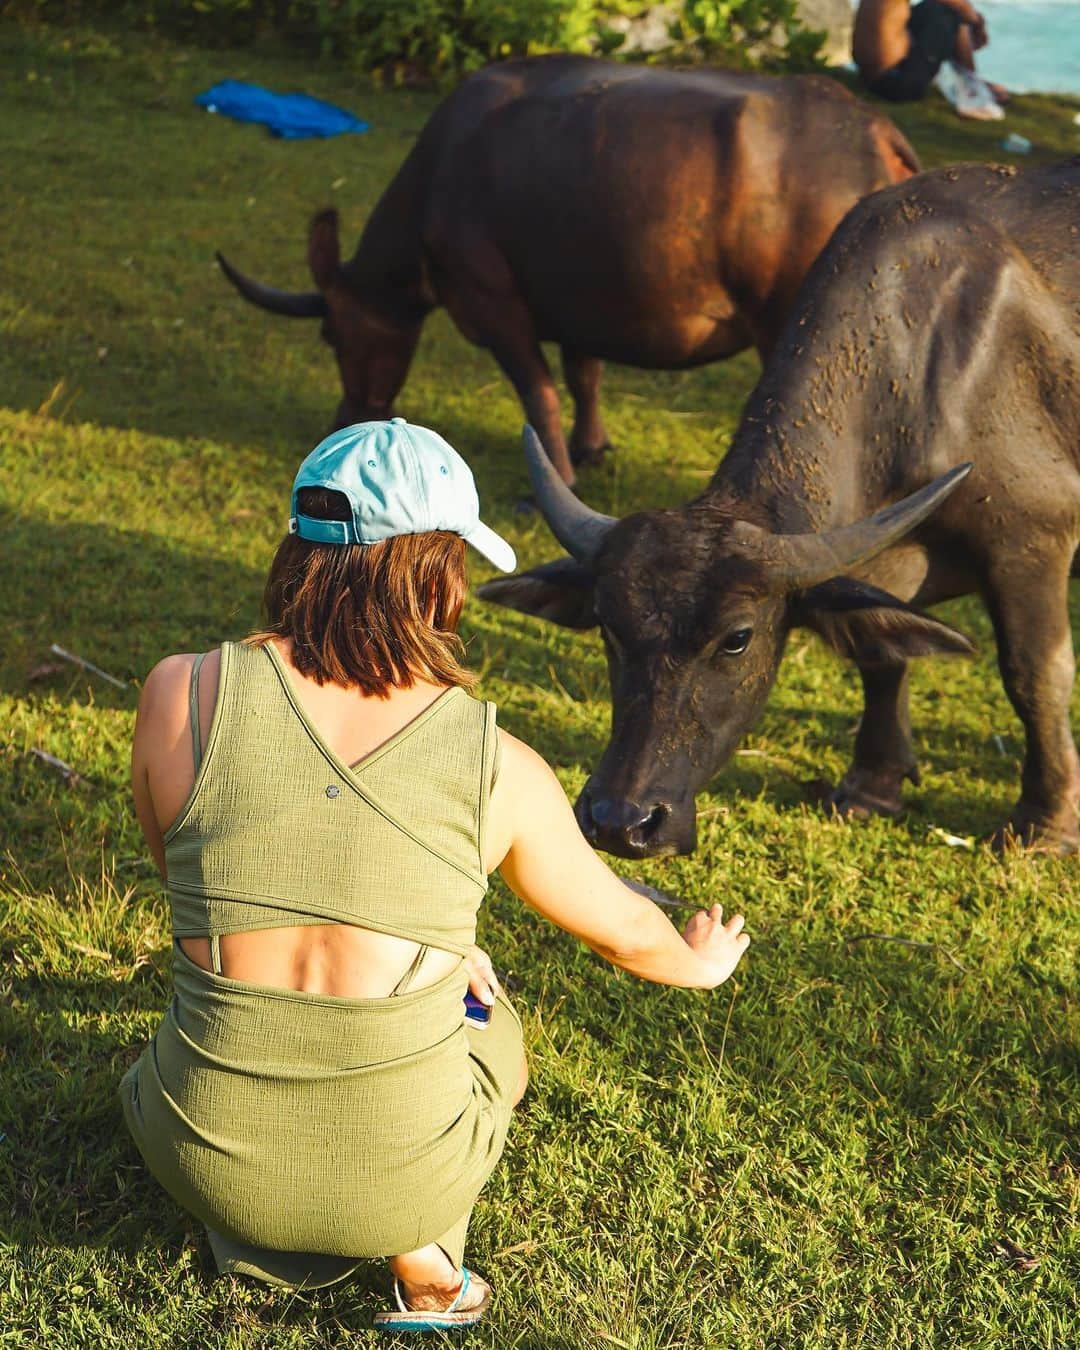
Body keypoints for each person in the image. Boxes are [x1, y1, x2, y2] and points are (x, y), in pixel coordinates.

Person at [121, 418, 750, 1332]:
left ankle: (256, 1232)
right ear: (434, 571)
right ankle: (425, 1253)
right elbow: (630, 935)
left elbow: (185, 866)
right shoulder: (495, 762)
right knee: (493, 1034)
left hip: (196, 1148)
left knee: (177, 1050)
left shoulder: (177, 692)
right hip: (402, 1179)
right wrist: (703, 958)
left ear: (302, 547)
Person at [853, 0, 1009, 110]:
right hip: (896, 83)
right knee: (949, 13)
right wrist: (978, 24)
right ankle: (972, 86)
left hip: (867, 77)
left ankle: (969, 80)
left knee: (932, 8)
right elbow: (960, 6)